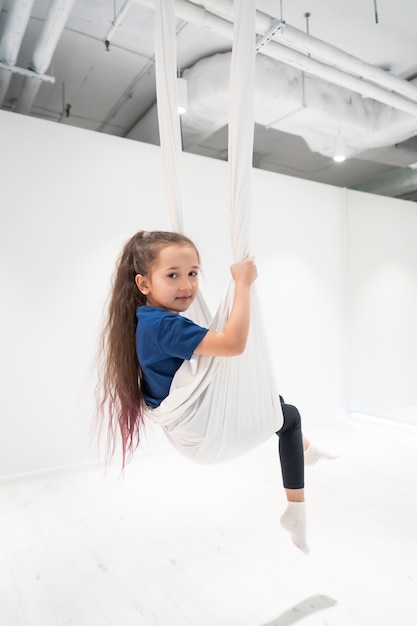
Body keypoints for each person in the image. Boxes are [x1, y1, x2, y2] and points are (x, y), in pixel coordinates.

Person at [97, 230, 334, 554]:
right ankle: (296, 510)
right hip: (201, 430)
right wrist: (243, 285)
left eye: (193, 273)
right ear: (144, 284)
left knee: (271, 403)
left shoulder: (148, 319)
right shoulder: (166, 326)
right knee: (287, 417)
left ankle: (307, 453)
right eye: (173, 275)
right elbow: (233, 344)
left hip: (190, 425)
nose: (186, 285)